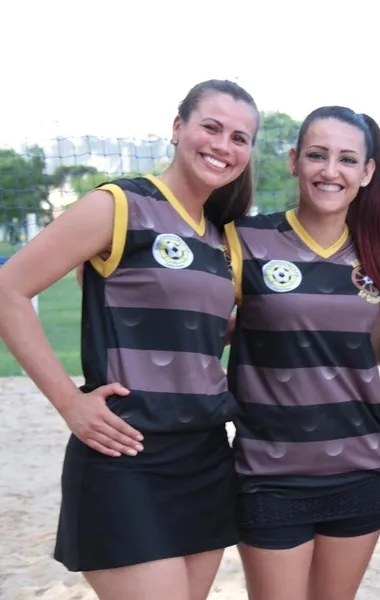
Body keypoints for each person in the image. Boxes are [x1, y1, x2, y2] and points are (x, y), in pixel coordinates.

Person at [0, 79, 260, 600]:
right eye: (211, 127)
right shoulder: (119, 205)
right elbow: (8, 288)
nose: (222, 145)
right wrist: (70, 403)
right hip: (127, 454)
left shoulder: (222, 237)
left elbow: (199, 333)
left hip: (207, 455)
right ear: (178, 127)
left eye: (239, 137)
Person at [223, 106, 380, 600]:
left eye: (348, 159)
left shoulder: (379, 256)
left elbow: (379, 352)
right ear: (293, 160)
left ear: (367, 172)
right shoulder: (245, 240)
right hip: (269, 474)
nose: (331, 171)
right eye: (317, 155)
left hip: (361, 470)